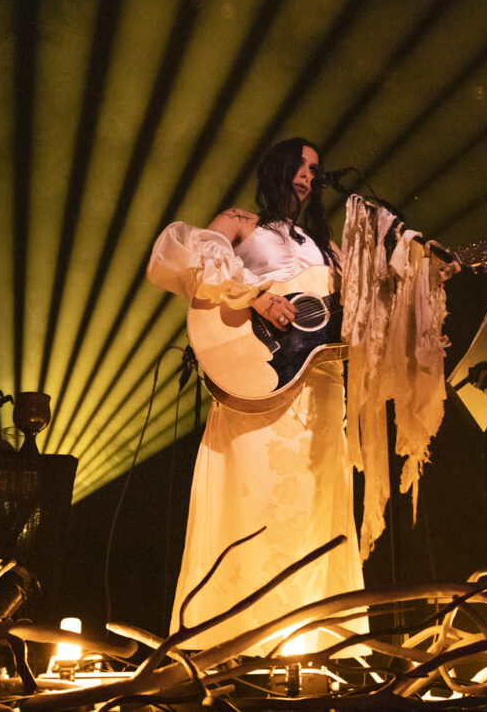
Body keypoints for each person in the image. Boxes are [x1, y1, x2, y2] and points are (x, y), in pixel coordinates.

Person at [146, 137, 367, 656]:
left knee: (317, 500)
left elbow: (356, 310)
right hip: (260, 374)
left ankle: (311, 642)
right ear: (278, 168)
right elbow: (188, 259)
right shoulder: (241, 222)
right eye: (300, 165)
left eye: (316, 169)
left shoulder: (326, 248)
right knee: (257, 492)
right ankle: (236, 637)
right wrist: (259, 298)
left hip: (320, 383)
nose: (309, 176)